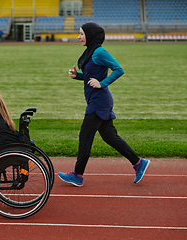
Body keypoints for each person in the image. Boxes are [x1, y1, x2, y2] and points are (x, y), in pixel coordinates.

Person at [58, 22, 150, 187]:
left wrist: (102, 83)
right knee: (109, 136)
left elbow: (118, 69)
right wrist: (78, 76)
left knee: (85, 136)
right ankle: (138, 163)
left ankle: (77, 175)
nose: (79, 37)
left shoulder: (99, 51)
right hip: (99, 100)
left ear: (90, 35)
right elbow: (91, 75)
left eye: (81, 34)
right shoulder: (91, 52)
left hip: (99, 102)